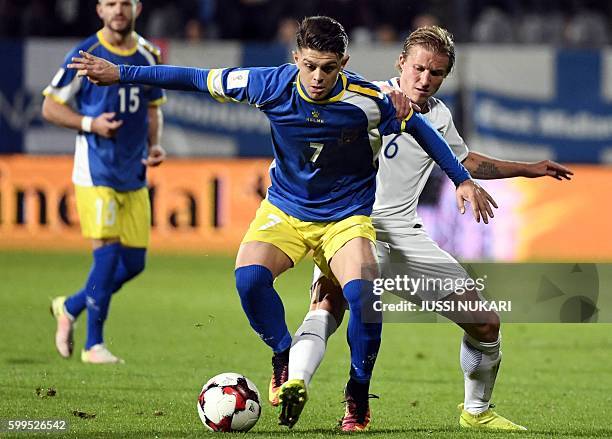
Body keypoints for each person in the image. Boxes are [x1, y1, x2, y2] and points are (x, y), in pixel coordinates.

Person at [67, 16, 497, 430]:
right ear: (296, 58)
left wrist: (461, 180)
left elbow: (421, 129)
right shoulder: (267, 84)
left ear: (343, 65)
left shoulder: (366, 99)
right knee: (249, 280)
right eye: (309, 66)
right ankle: (281, 355)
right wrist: (120, 72)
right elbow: (195, 77)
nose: (317, 77)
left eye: (328, 69)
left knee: (363, 296)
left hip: (346, 217)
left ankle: (358, 392)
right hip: (286, 210)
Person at [284, 25, 573, 431]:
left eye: (436, 73)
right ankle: (297, 385)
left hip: (404, 236)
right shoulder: (361, 98)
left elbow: (465, 161)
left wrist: (528, 168)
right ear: (401, 62)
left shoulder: (437, 115)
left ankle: (476, 412)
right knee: (330, 304)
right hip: (350, 227)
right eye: (418, 68)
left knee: (486, 322)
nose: (424, 79)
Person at [43, 0, 166, 364]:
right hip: (96, 170)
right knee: (108, 254)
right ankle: (93, 344)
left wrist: (155, 145)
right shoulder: (85, 54)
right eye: (110, 3)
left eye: (124, 3)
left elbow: (154, 107)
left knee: (134, 263)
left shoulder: (149, 54)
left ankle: (69, 306)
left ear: (137, 8)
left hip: (134, 172)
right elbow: (50, 106)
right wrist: (89, 124)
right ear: (99, 10)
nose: (118, 10)